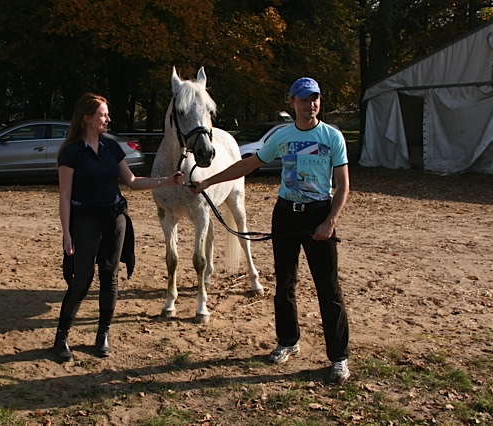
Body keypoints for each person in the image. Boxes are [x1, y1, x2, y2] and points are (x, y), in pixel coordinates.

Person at [190, 77, 351, 382]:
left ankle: (338, 357)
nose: (311, 104)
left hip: (319, 214)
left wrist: (330, 221)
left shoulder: (332, 137)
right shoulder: (283, 136)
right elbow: (248, 165)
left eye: (315, 98)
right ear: (292, 103)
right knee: (285, 283)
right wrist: (208, 181)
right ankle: (288, 341)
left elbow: (343, 185)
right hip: (286, 214)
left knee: (328, 288)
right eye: (304, 99)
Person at [54, 93, 183, 362]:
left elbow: (132, 181)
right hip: (85, 220)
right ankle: (61, 338)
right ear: (87, 118)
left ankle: (103, 335)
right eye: (103, 114)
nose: (108, 119)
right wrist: (66, 233)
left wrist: (167, 181)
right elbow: (64, 195)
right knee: (82, 279)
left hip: (115, 219)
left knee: (110, 277)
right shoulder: (71, 152)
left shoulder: (111, 148)